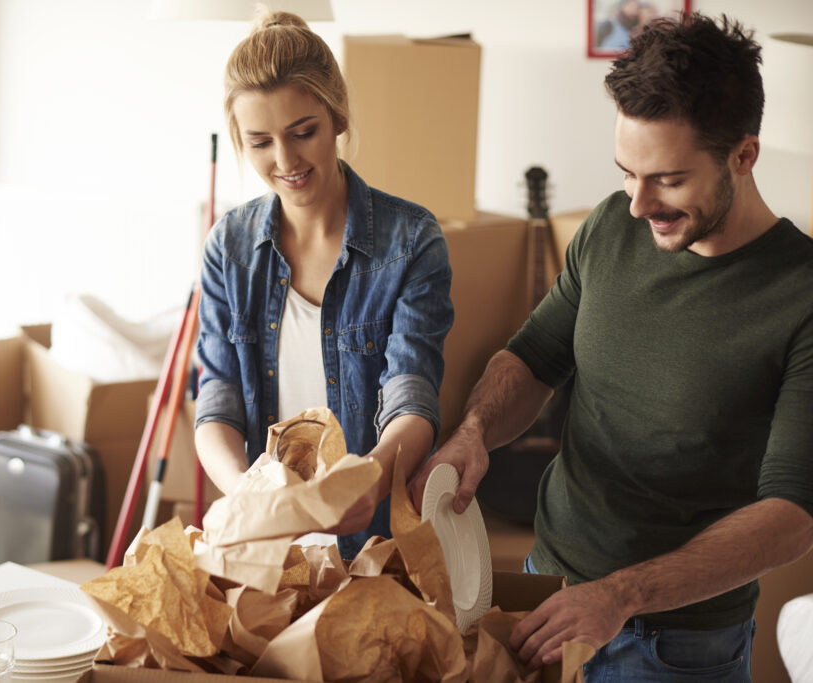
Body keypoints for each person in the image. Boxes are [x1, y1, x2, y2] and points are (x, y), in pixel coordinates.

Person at [411, 12, 813, 681]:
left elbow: (794, 515)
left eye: (668, 180)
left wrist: (621, 595)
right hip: (547, 592)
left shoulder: (801, 295)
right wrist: (474, 430)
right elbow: (536, 353)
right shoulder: (610, 226)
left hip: (676, 647)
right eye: (627, 173)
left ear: (744, 156)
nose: (636, 203)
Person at [195, 10, 454, 560]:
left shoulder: (410, 240)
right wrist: (250, 497)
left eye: (303, 132)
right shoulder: (229, 246)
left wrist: (370, 478)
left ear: (336, 118)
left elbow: (413, 393)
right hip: (265, 551)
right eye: (259, 141)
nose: (285, 160)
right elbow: (216, 401)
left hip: (376, 546)